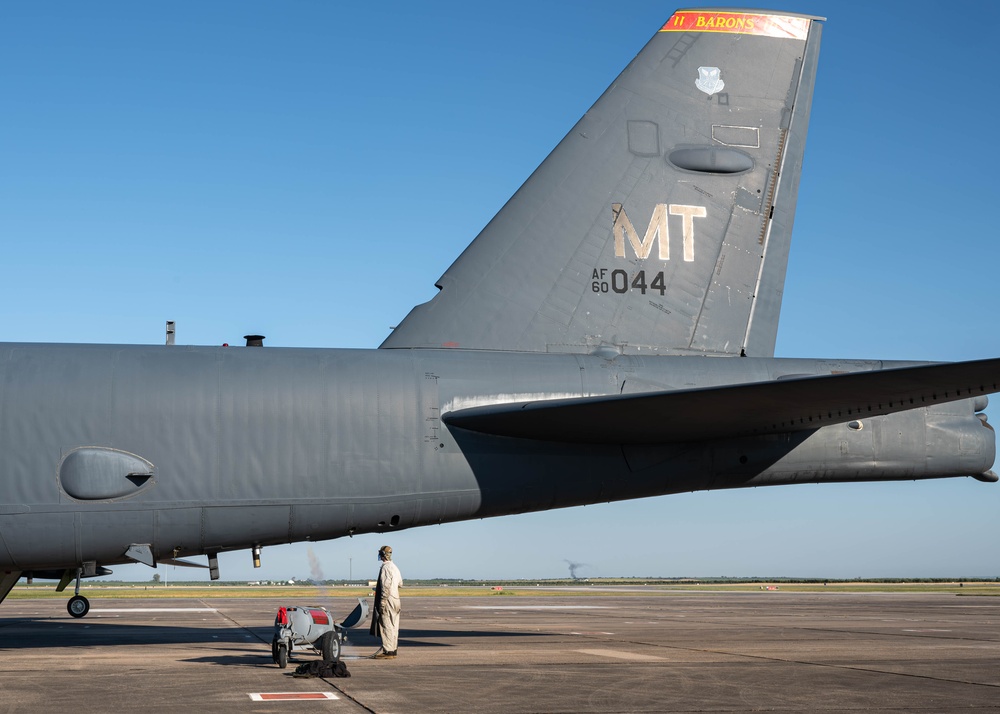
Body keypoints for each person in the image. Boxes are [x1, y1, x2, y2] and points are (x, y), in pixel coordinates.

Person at [372, 544, 402, 659]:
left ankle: (388, 651)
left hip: (388, 599)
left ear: (383, 555)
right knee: (395, 625)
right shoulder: (395, 567)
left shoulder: (385, 567)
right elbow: (400, 584)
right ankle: (393, 649)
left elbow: (385, 586)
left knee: (386, 624)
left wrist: (383, 601)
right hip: (396, 599)